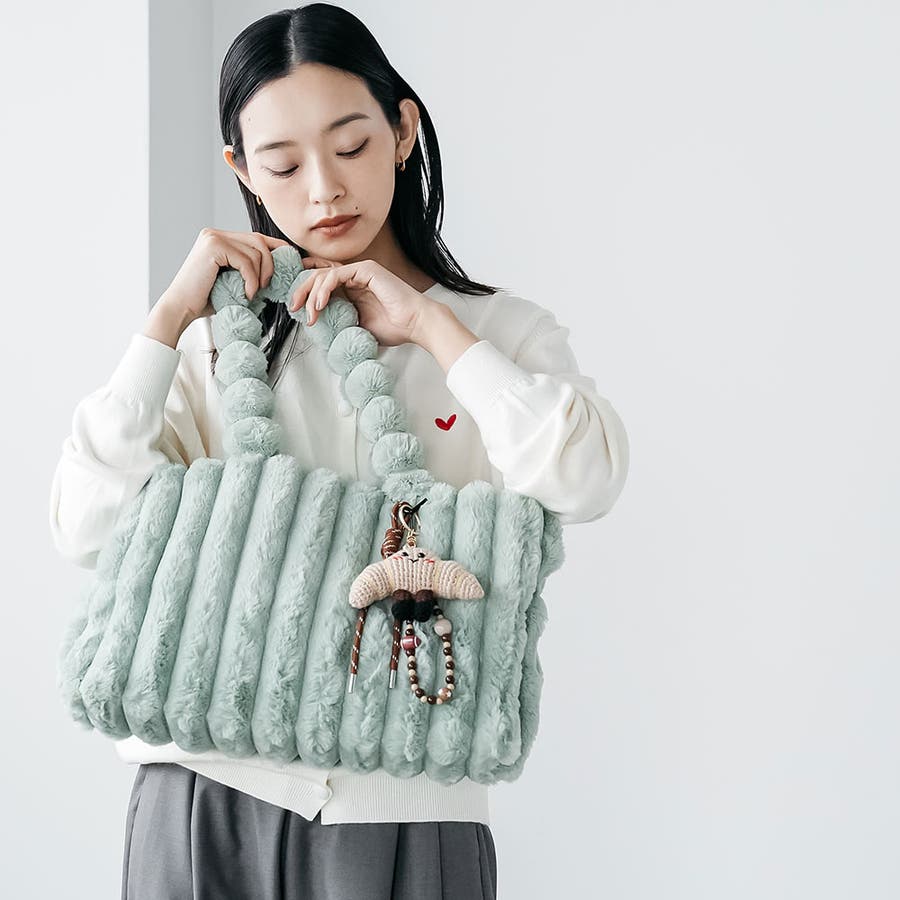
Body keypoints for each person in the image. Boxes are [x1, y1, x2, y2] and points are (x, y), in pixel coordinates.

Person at [48, 4, 630, 898]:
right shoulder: (213, 344)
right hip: (203, 797)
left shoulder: (500, 336)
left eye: (351, 145)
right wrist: (167, 321)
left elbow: (586, 479)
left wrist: (434, 330)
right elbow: (87, 526)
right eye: (283, 165)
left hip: (407, 808)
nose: (324, 190)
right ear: (242, 170)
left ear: (402, 131)